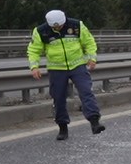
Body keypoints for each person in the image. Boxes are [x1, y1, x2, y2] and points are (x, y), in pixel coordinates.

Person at [27, 9, 104, 140]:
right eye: (55, 27)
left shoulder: (77, 25)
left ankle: (94, 121)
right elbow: (34, 50)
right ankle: (63, 127)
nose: (58, 28)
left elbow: (89, 42)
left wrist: (92, 58)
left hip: (78, 65)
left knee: (86, 91)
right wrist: (34, 66)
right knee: (58, 98)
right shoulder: (41, 31)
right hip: (56, 68)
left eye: (60, 25)